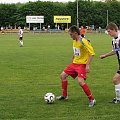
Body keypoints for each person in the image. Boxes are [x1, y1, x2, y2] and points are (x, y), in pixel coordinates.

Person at [56, 25, 96, 107]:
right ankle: (64, 96)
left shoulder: (83, 41)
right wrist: (73, 60)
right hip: (74, 64)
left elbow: (92, 53)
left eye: (71, 35)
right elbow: (76, 52)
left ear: (75, 33)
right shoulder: (74, 41)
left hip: (81, 65)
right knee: (62, 76)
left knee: (80, 82)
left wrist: (87, 65)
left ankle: (92, 99)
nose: (70, 36)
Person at [100, 22, 120, 103]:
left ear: (114, 30)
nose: (108, 33)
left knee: (115, 79)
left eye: (109, 31)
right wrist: (105, 55)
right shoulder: (113, 40)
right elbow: (115, 51)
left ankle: (118, 99)